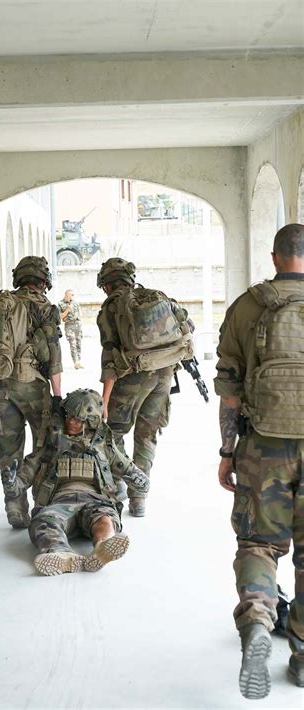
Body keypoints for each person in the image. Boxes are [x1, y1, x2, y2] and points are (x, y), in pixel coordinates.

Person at [214, 223, 304, 698]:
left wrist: (228, 452)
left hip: (263, 448)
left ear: (275, 258)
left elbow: (229, 390)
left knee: (259, 545)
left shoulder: (249, 306)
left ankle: (256, 623)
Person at [1, 388, 149, 575]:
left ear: (91, 421)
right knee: (44, 522)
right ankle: (61, 554)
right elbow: (28, 471)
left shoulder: (104, 444)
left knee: (105, 520)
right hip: (60, 502)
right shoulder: (53, 441)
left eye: (78, 419)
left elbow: (131, 472)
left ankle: (104, 547)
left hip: (97, 500)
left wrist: (139, 480)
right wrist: (12, 484)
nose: (71, 421)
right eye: (69, 416)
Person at [96, 258, 194, 517]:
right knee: (146, 435)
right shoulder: (155, 298)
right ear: (130, 278)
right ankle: (139, 498)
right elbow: (186, 326)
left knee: (112, 435)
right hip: (164, 374)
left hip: (132, 377)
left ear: (106, 284)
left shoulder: (112, 307)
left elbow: (110, 357)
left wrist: (104, 401)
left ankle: (116, 492)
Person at [0, 256, 63, 529]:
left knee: (9, 448)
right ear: (44, 281)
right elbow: (54, 355)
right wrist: (57, 396)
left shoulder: (0, 304)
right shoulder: (44, 307)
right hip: (32, 386)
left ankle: (15, 507)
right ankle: (42, 504)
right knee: (43, 446)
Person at [58, 289, 84, 368]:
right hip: (69, 325)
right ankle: (75, 362)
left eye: (73, 295)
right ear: (66, 295)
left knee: (79, 343)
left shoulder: (75, 303)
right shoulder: (60, 303)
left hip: (78, 324)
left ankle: (79, 361)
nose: (73, 296)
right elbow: (60, 317)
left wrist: (80, 321)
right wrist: (67, 310)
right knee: (72, 344)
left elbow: (80, 313)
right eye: (71, 294)